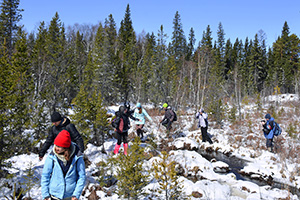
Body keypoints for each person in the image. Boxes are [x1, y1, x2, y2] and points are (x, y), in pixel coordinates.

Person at [41, 130, 86, 200]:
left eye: (59, 146)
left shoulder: (77, 157)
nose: (56, 148)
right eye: (56, 145)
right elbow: (45, 175)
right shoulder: (52, 157)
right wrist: (45, 194)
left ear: (65, 147)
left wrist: (76, 194)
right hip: (54, 195)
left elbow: (81, 177)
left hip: (70, 196)